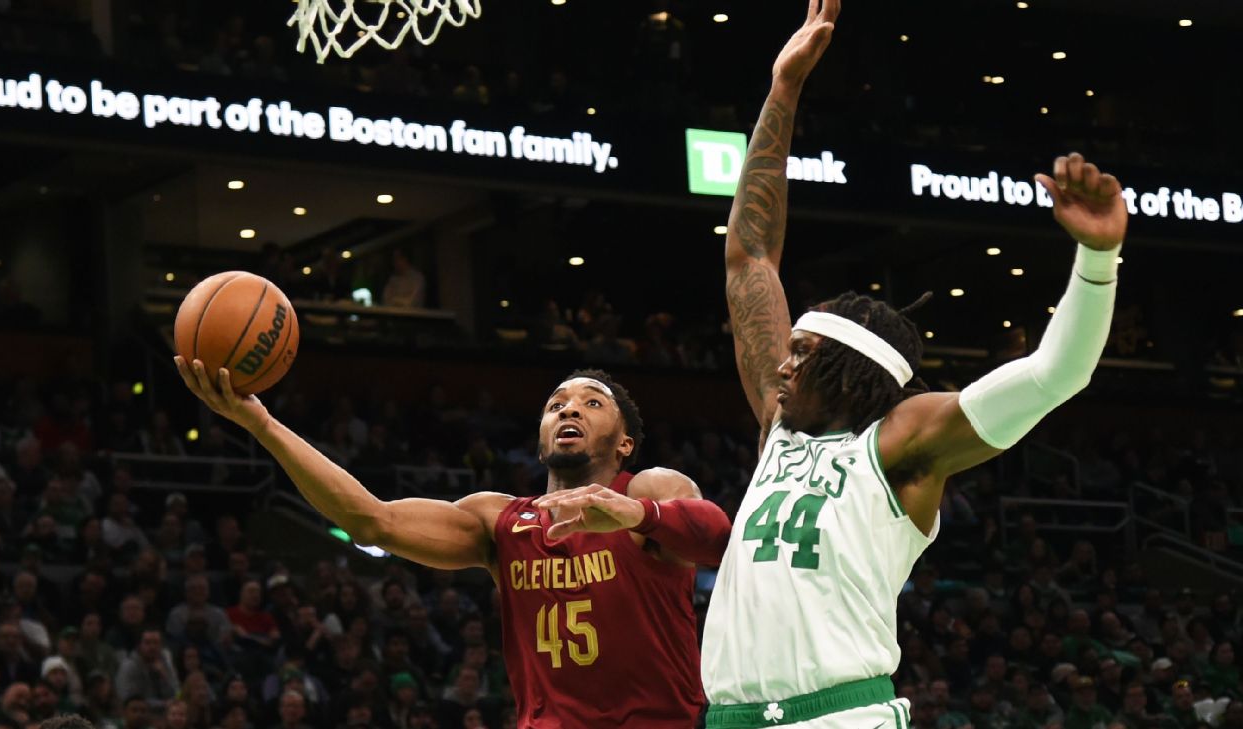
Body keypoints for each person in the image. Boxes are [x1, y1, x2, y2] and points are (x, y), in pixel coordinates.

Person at [697, 1, 1128, 727]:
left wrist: (1097, 257)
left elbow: (1057, 373)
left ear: (849, 371)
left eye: (800, 352)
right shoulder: (783, 427)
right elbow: (749, 259)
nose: (780, 366)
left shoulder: (901, 442)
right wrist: (782, 88)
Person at [174, 355, 733, 727]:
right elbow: (372, 521)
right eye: (556, 403)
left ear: (625, 443)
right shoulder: (499, 523)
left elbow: (718, 542)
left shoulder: (651, 491)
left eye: (592, 402)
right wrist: (263, 425)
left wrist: (634, 512)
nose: (568, 408)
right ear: (540, 439)